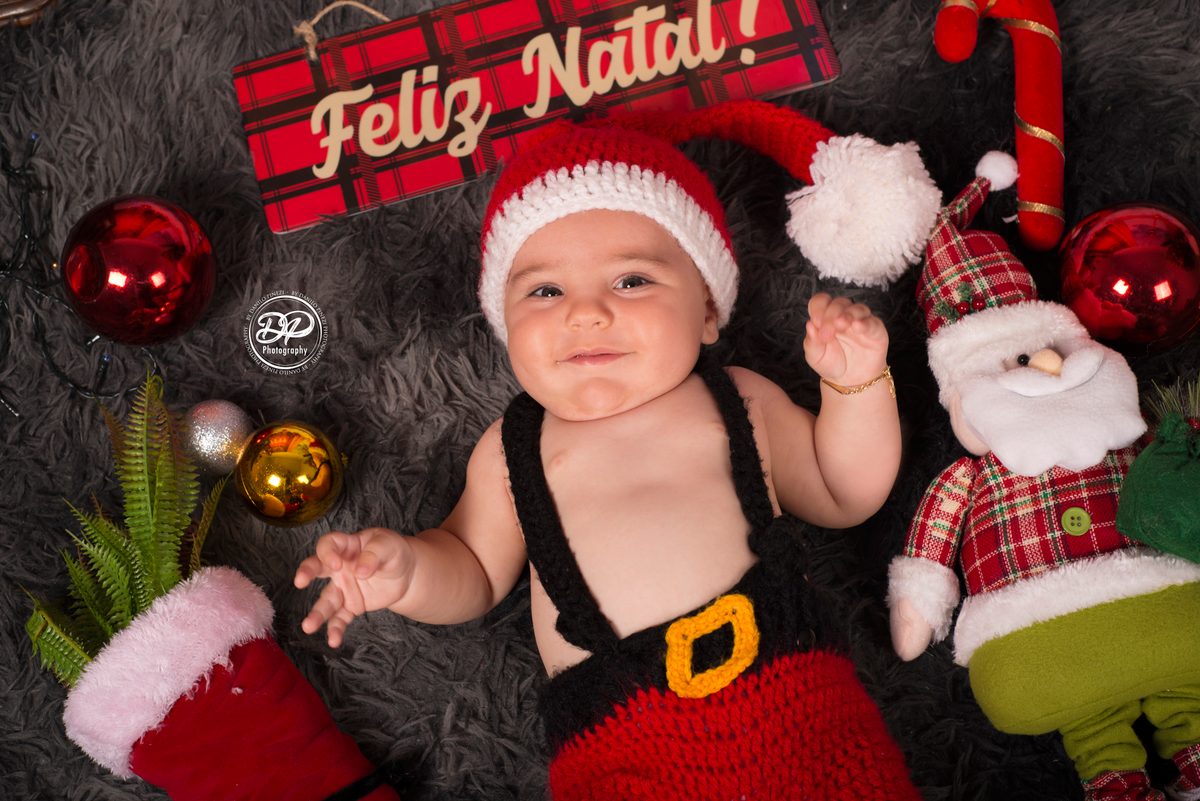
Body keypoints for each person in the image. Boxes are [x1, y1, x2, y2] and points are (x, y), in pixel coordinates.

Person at [295, 99, 943, 799]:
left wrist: (855, 388)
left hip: (802, 714)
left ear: (705, 310)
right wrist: (410, 571)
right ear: (504, 322)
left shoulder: (739, 399)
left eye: (631, 280)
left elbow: (844, 490)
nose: (585, 311)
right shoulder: (512, 450)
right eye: (544, 290)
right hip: (622, 747)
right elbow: (476, 569)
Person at [887, 158, 1200, 801]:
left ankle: (1184, 738)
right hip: (1043, 639)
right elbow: (928, 554)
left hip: (1161, 609)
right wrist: (917, 607)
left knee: (1184, 680)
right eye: (1021, 358)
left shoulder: (1134, 431)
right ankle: (1109, 763)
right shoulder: (969, 477)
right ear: (961, 400)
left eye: (1058, 344)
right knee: (1090, 713)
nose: (1053, 365)